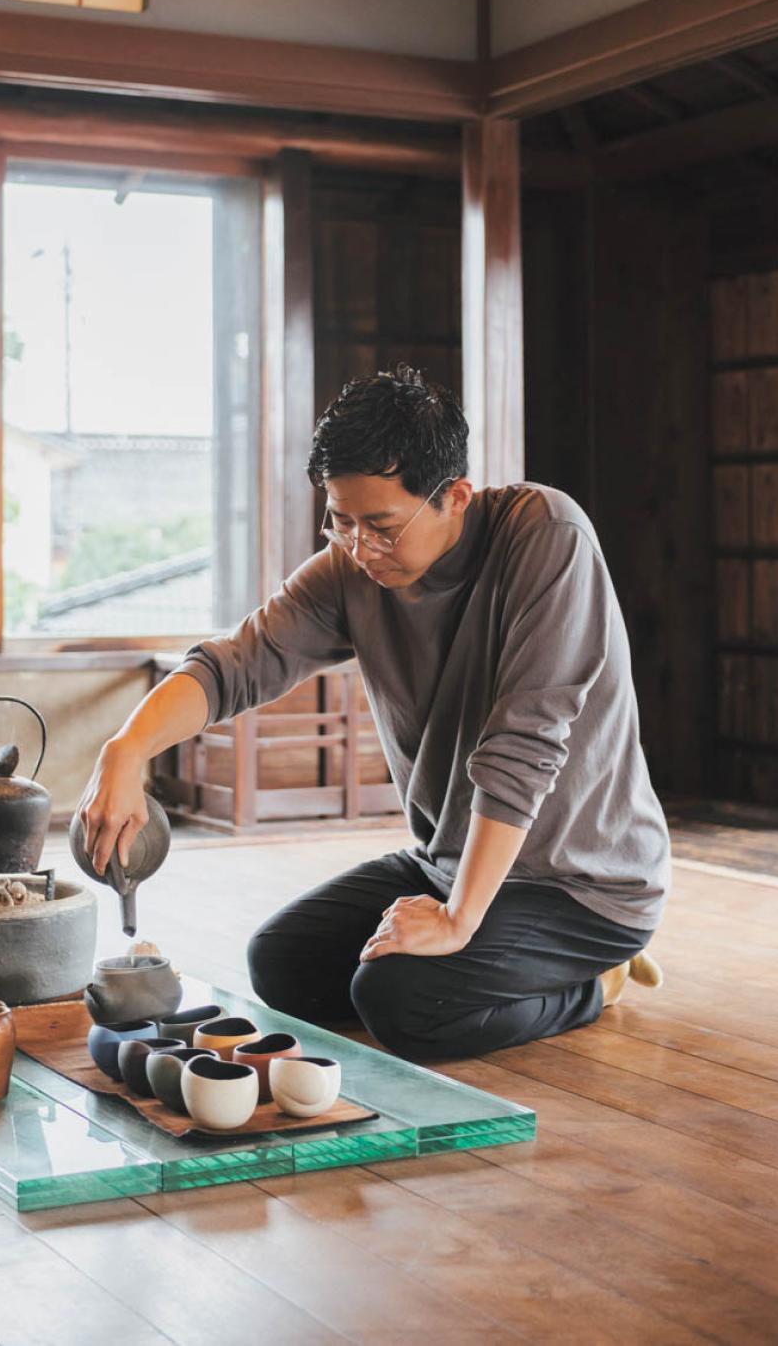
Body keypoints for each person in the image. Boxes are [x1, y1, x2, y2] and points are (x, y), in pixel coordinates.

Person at [76, 366, 670, 1063]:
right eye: (340, 519)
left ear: (454, 496)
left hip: (579, 885)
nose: (359, 546)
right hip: (447, 860)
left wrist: (457, 920)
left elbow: (523, 742)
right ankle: (474, 945)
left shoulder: (544, 536)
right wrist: (125, 749)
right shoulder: (351, 569)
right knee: (282, 963)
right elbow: (237, 661)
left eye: (381, 525)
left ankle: (594, 983)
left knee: (403, 1000)